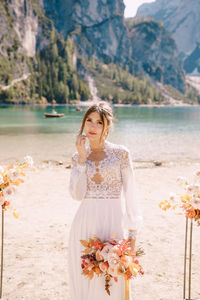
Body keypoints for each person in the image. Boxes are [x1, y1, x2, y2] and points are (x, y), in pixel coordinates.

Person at [68, 101, 142, 300]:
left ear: (107, 126)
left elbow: (131, 195)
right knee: (85, 282)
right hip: (84, 226)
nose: (92, 126)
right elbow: (76, 195)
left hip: (113, 225)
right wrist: (82, 159)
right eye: (89, 121)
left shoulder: (121, 154)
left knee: (112, 284)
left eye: (98, 122)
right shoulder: (78, 157)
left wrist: (132, 235)